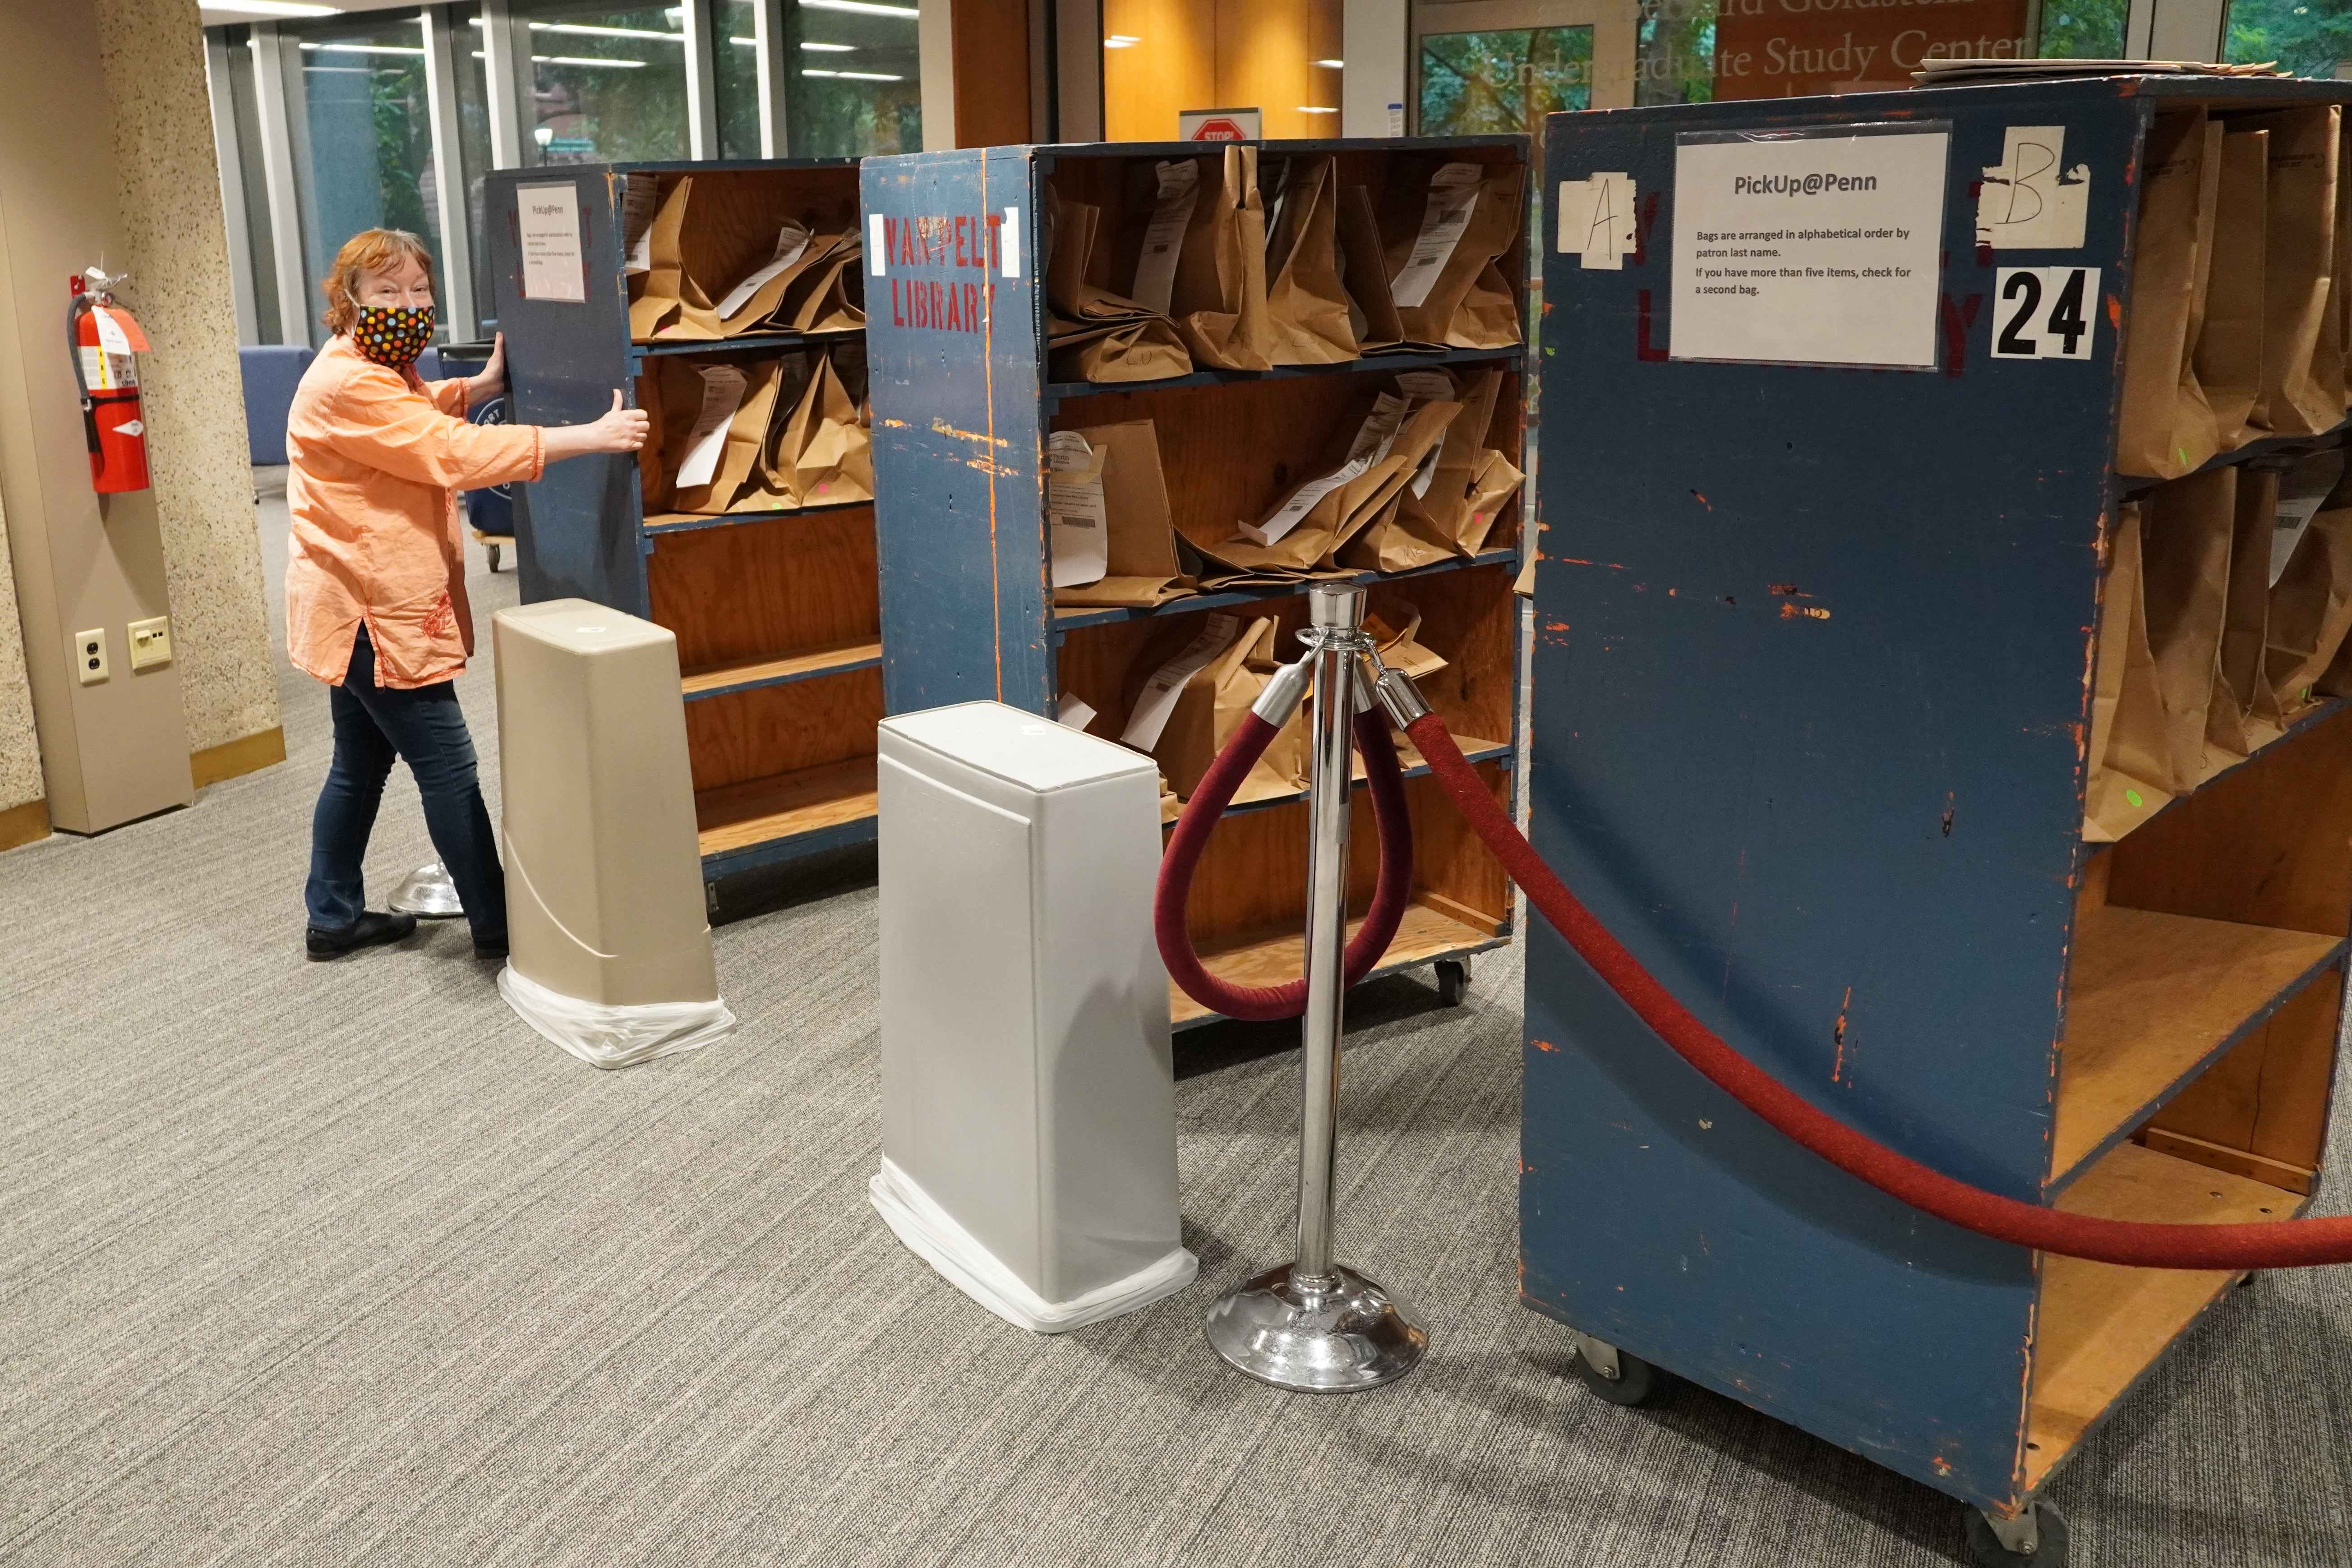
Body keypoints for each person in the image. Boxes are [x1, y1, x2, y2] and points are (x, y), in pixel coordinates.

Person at [284, 228, 648, 961]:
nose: (408, 304)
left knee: (359, 763)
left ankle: (333, 917)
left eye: (420, 290)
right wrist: (588, 436)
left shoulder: (374, 368)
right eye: (387, 292)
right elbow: (446, 451)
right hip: (371, 611)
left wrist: (473, 389)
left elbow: (411, 417)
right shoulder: (351, 380)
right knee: (447, 766)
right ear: (347, 300)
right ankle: (499, 926)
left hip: (349, 599)